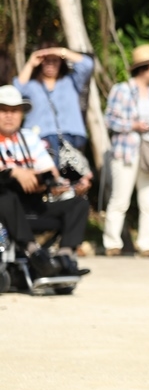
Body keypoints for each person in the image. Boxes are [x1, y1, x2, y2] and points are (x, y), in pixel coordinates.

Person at [0, 85, 90, 276]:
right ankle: (33, 252)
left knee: (78, 204)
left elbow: (50, 171)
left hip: (32, 205)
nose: (9, 115)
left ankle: (64, 257)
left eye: (14, 110)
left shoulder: (29, 138)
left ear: (21, 114)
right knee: (4, 194)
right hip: (5, 207)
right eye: (4, 110)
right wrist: (14, 172)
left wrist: (46, 181)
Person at [102, 44, 149, 257]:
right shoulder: (122, 90)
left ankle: (147, 244)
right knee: (120, 199)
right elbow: (110, 120)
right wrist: (133, 126)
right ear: (144, 68)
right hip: (126, 151)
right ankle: (112, 243)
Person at [14, 42, 94, 164]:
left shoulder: (71, 81)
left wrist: (61, 52)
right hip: (39, 139)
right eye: (46, 60)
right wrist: (31, 62)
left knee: (67, 180)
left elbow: (87, 65)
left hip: (68, 139)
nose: (50, 64)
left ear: (61, 62)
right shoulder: (32, 85)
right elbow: (16, 90)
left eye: (55, 61)